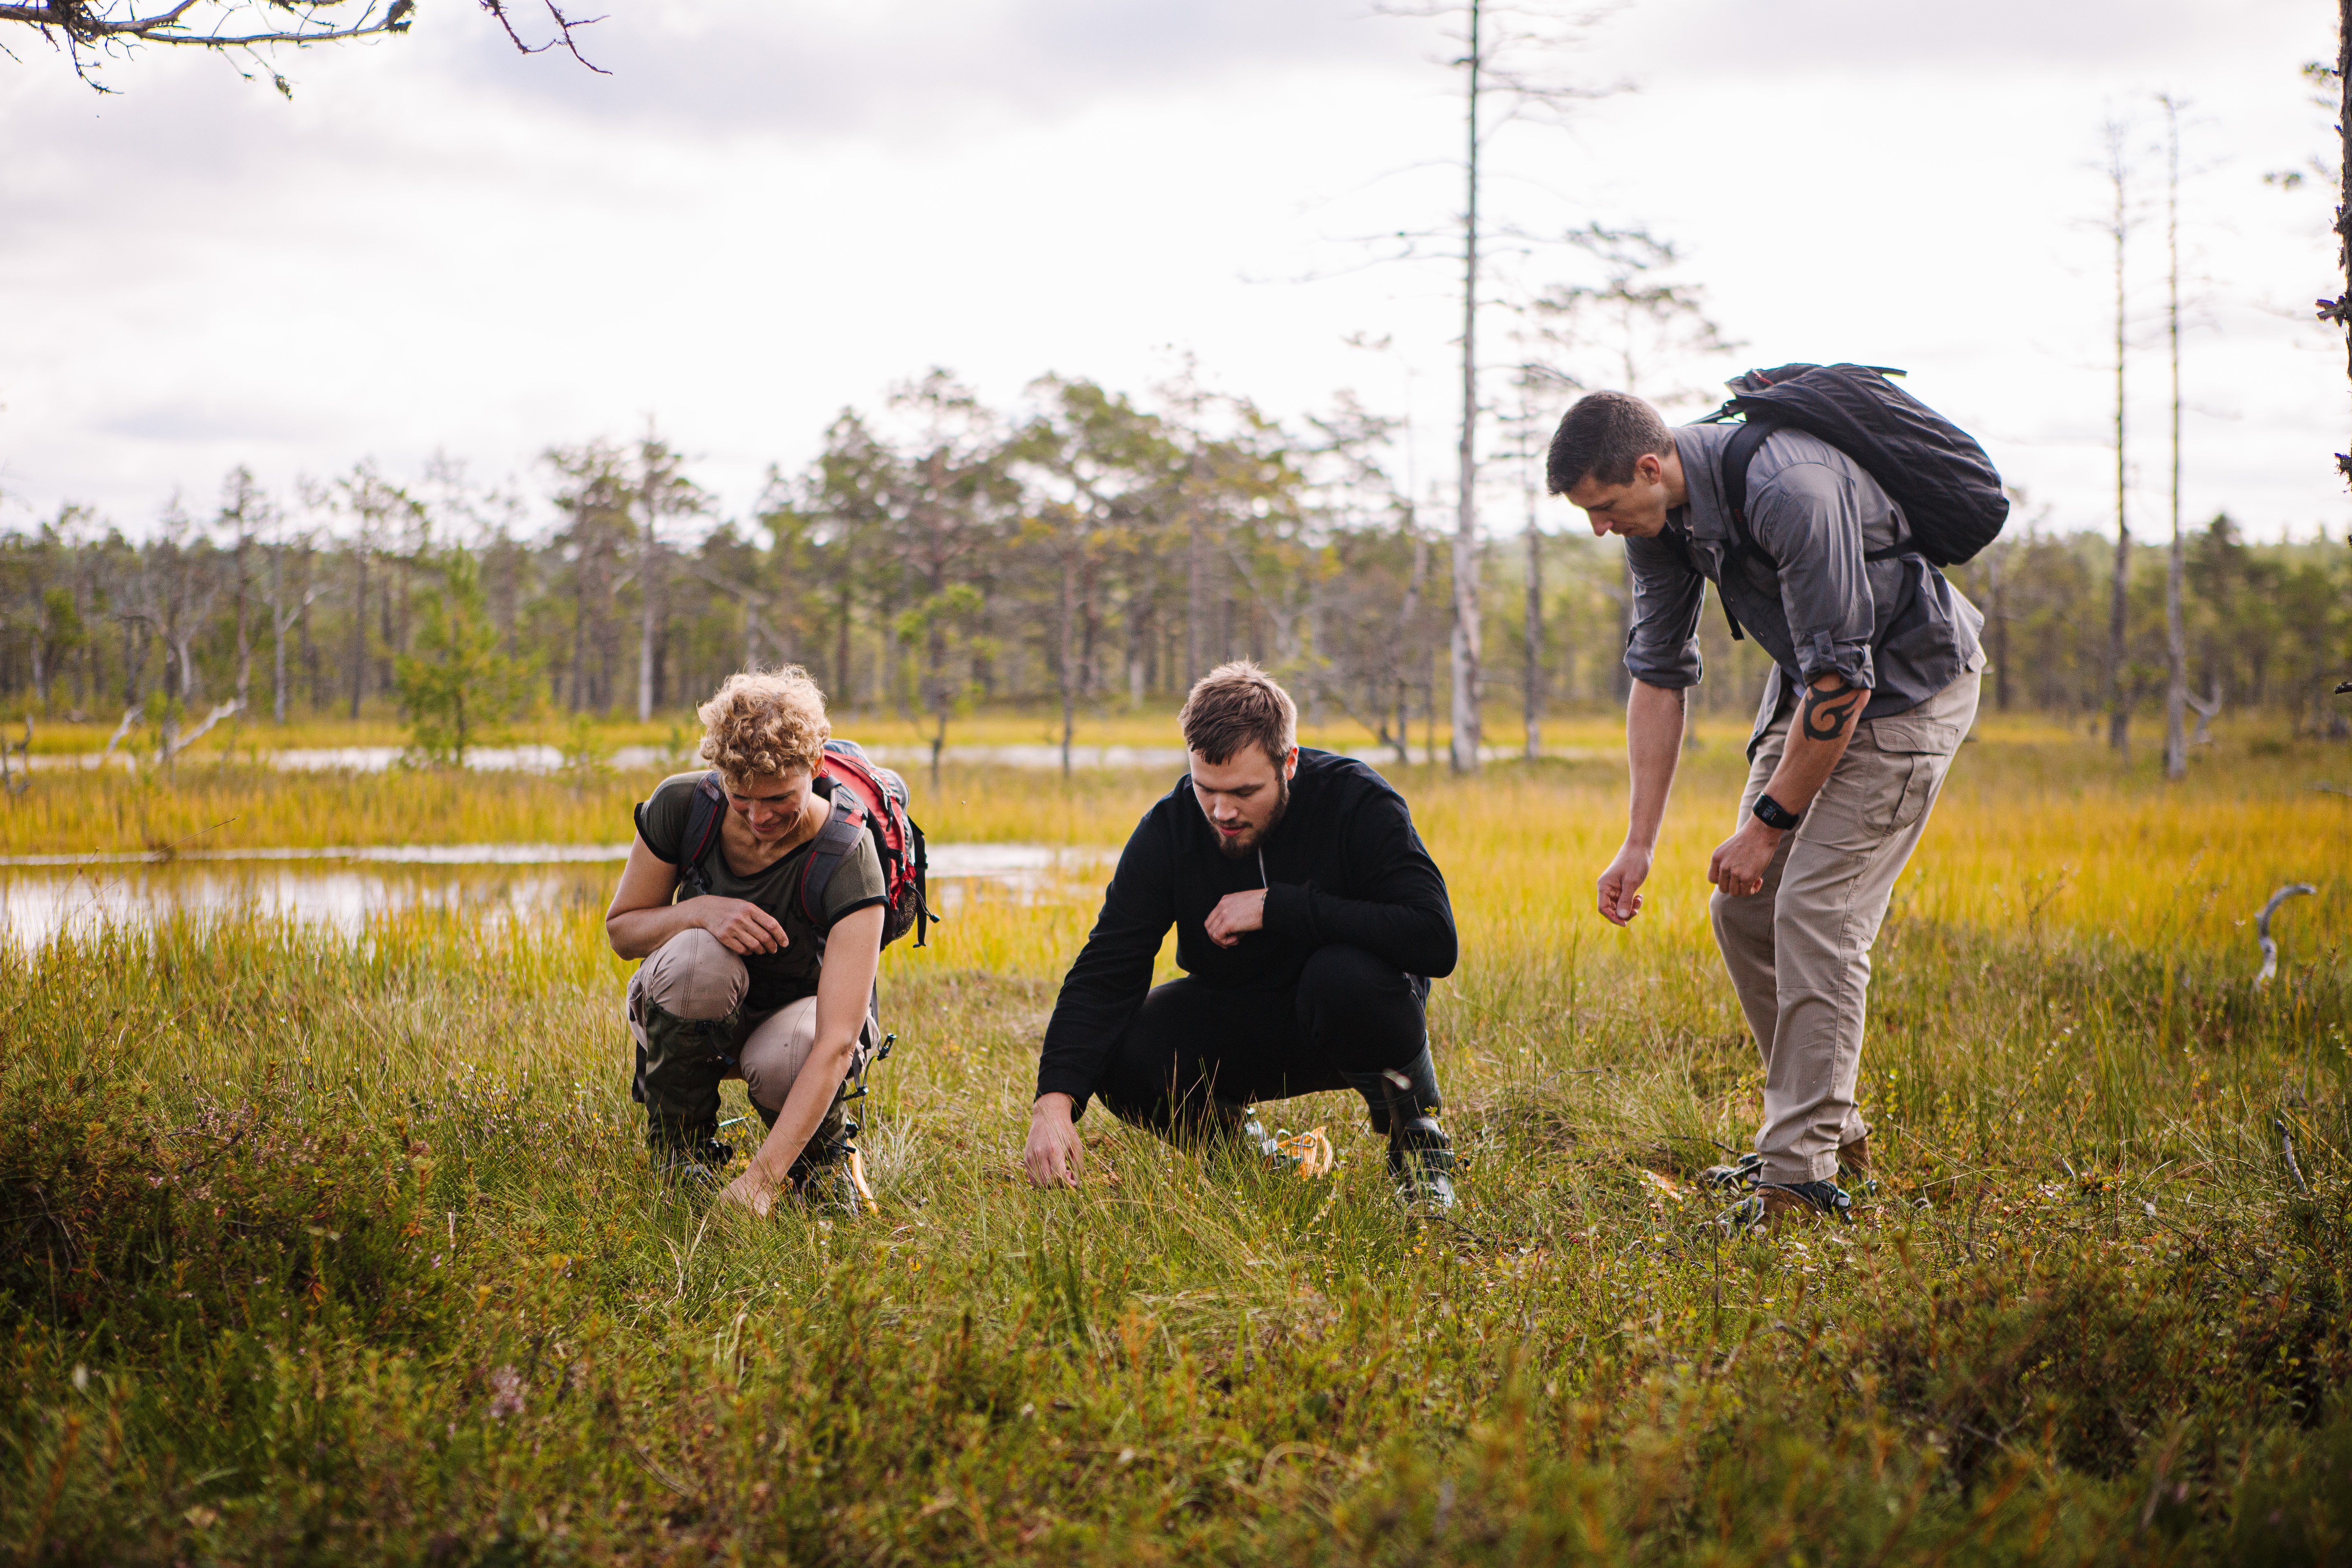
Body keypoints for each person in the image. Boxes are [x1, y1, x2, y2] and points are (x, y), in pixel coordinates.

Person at [1549, 390, 1984, 1224]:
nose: (1600, 528)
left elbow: (1845, 684)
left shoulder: (1793, 489)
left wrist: (1765, 827)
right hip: (1815, 683)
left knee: (1818, 910)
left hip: (1907, 688)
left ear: (1650, 466)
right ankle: (1826, 1125)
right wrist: (1637, 844)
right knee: (1745, 910)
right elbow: (1658, 675)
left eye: (1605, 508)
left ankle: (1798, 1179)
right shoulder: (1659, 522)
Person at [1022, 661, 1463, 1209]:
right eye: (1207, 789)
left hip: (1358, 1017)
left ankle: (1420, 1146)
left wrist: (1282, 907)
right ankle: (1248, 1155)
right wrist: (1054, 1102)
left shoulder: (1357, 801)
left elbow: (1434, 938)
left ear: (1290, 763)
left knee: (1343, 979)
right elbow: (1108, 966)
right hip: (1248, 1020)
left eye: (1243, 792)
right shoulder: (1171, 828)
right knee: (1120, 1049)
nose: (1222, 811)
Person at [605, 668, 889, 1215]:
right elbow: (623, 931)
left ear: (817, 766)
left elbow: (835, 1041)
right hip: (699, 1004)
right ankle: (681, 1155)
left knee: (796, 1052)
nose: (760, 817)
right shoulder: (682, 806)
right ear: (720, 776)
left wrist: (760, 1180)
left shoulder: (849, 855)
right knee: (695, 959)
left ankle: (822, 1168)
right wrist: (700, 911)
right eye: (741, 799)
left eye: (780, 797)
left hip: (799, 1029)